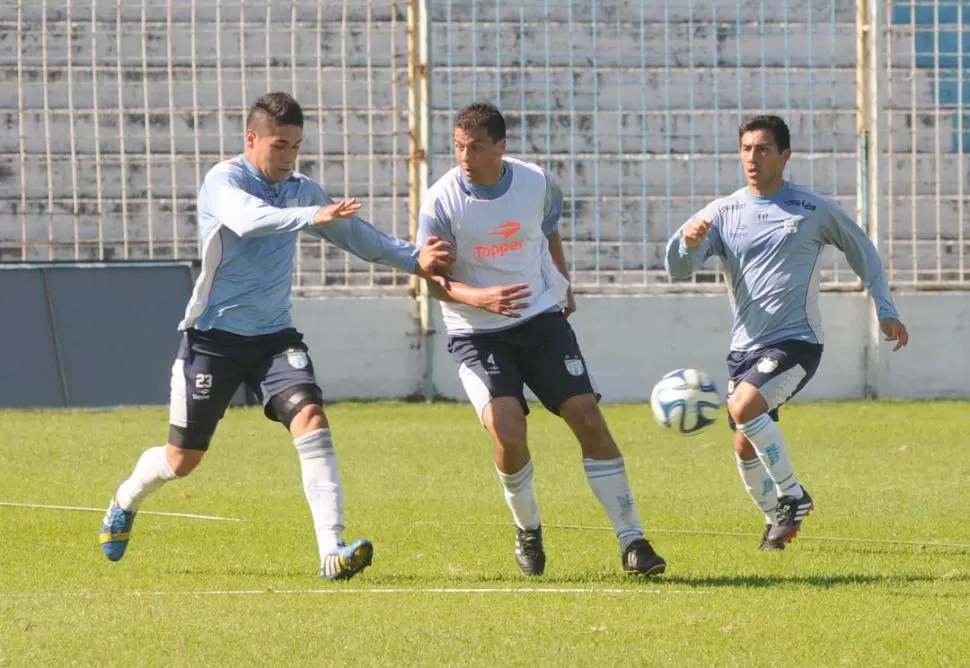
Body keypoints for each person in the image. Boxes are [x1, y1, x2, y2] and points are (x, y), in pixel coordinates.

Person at [98, 92, 455, 580]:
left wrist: (414, 258)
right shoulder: (224, 181)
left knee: (311, 417)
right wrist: (312, 216)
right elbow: (248, 220)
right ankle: (126, 499)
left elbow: (355, 235)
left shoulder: (301, 189)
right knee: (183, 459)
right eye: (280, 145)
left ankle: (332, 550)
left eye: (296, 147)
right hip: (212, 340)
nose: (289, 158)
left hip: (273, 339)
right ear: (252, 139)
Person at [417, 102, 666, 577]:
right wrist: (482, 298)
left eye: (476, 147)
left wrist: (561, 282)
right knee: (509, 431)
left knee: (588, 418)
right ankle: (528, 529)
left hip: (539, 321)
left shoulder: (536, 183)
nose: (465, 157)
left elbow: (547, 230)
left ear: (501, 147)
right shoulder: (441, 202)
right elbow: (432, 281)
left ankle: (634, 542)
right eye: (458, 147)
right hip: (477, 332)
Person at [664, 114, 910, 550]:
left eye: (762, 148)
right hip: (744, 347)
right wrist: (686, 241)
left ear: (784, 154)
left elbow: (863, 251)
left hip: (797, 342)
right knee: (743, 445)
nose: (752, 158)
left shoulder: (812, 209)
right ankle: (774, 528)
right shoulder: (722, 213)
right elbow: (678, 269)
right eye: (745, 149)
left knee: (743, 406)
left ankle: (793, 496)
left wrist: (885, 308)